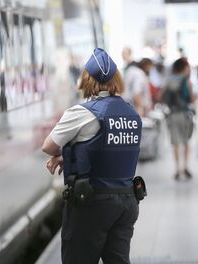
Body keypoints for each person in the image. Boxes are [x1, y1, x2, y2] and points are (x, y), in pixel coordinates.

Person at [42, 48, 141, 264]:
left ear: (86, 80)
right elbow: (108, 149)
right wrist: (70, 155)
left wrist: (65, 155)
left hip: (92, 202)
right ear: (117, 79)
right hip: (127, 200)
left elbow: (49, 146)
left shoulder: (83, 112)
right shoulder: (132, 113)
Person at [162, 58, 194, 180]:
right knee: (186, 141)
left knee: (175, 142)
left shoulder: (168, 81)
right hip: (185, 114)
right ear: (184, 68)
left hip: (173, 114)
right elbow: (191, 99)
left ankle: (177, 169)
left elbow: (161, 96)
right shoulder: (187, 82)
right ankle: (185, 167)